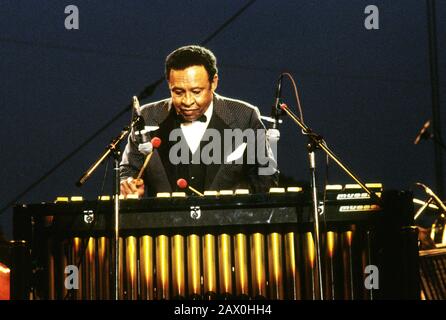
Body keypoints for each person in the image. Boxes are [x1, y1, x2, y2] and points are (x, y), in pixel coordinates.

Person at [120, 45, 278, 197]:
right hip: (166, 223)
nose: (188, 101)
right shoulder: (147, 117)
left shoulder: (245, 116)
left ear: (214, 82)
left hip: (228, 222)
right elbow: (129, 170)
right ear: (169, 84)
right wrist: (129, 184)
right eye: (178, 92)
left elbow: (266, 178)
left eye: (196, 91)